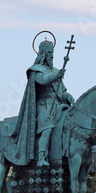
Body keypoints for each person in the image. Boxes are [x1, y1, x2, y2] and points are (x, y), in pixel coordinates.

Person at [24, 39, 74, 167]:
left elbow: (62, 90)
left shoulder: (55, 70)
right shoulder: (36, 70)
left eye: (52, 52)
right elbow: (43, 80)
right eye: (49, 52)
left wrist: (67, 96)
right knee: (47, 129)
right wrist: (57, 75)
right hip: (44, 105)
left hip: (58, 105)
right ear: (42, 54)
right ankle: (41, 157)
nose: (51, 55)